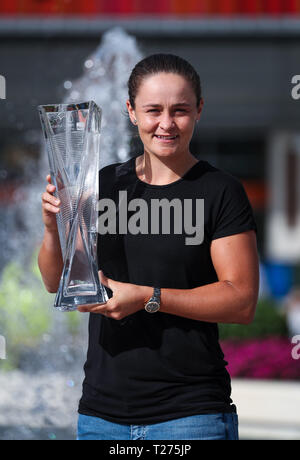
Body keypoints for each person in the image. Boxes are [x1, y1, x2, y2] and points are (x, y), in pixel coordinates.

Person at [38, 53, 259, 440]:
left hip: (190, 416)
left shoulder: (221, 191)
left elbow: (240, 301)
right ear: (131, 112)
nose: (166, 123)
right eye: (153, 110)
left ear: (199, 110)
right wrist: (53, 228)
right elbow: (57, 282)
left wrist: (148, 297)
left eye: (180, 110)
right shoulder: (102, 184)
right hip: (100, 417)